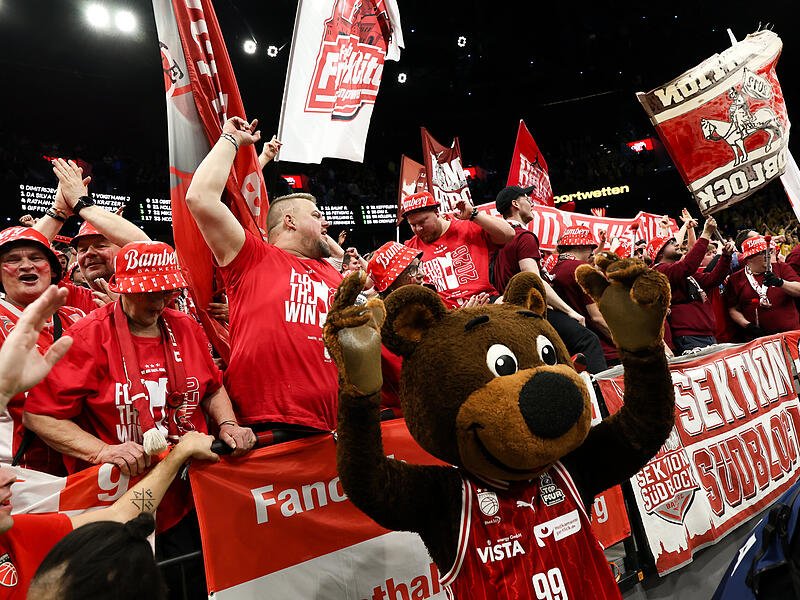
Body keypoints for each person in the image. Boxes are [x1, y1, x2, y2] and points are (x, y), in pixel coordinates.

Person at [0, 285, 220, 599]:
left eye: (168, 293)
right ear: (124, 292)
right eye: (148, 293)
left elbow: (120, 516)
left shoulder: (19, 529)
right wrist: (103, 450)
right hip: (108, 495)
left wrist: (221, 427)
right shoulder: (89, 334)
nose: (9, 478)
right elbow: (40, 416)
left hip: (181, 503)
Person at [184, 116, 344, 433]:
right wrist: (230, 140)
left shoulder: (335, 276)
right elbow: (200, 198)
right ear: (290, 222)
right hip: (263, 427)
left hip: (332, 427)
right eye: (316, 215)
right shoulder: (253, 257)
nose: (325, 222)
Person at [492, 187, 608, 372]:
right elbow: (533, 279)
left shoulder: (495, 241)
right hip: (528, 310)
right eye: (527, 199)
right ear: (515, 204)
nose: (531, 204)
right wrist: (570, 312)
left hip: (506, 314)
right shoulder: (524, 237)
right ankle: (598, 391)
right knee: (588, 340)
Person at [0, 227, 85, 472]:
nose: (26, 266)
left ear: (53, 269)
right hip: (12, 472)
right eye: (13, 260)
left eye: (36, 258)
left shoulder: (78, 318)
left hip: (77, 468)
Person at [33, 158, 151, 313]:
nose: (89, 253)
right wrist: (58, 211)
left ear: (125, 252)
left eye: (100, 246)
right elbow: (23, 259)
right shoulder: (70, 297)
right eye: (82, 250)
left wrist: (82, 204)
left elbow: (150, 251)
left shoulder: (150, 292)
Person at [402, 191, 514, 308]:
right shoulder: (410, 248)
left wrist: (474, 214)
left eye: (422, 222)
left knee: (511, 307)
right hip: (445, 315)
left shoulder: (468, 226)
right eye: (413, 225)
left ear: (436, 212)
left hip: (484, 301)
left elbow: (509, 234)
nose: (419, 229)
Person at [653, 217, 734, 354]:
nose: (677, 244)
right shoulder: (660, 271)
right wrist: (705, 234)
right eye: (671, 243)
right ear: (659, 253)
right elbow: (688, 265)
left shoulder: (681, 271)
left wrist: (726, 257)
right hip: (688, 337)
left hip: (706, 334)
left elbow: (713, 280)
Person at [548, 226, 615, 369]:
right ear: (580, 245)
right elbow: (598, 318)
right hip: (605, 353)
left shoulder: (553, 270)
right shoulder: (583, 269)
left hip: (575, 352)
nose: (592, 252)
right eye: (591, 247)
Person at [724, 236, 800, 339]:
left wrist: (781, 283)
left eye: (768, 252)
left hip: (791, 336)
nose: (767, 255)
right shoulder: (735, 279)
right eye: (762, 253)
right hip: (759, 340)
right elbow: (733, 309)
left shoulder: (781, 268)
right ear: (749, 258)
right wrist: (747, 325)